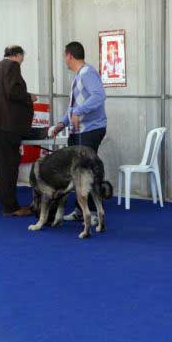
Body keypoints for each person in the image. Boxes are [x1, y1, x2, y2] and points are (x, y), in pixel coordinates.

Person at [51, 42, 107, 222]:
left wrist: (78, 111)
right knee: (77, 172)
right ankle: (80, 210)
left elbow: (98, 96)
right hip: (79, 130)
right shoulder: (79, 75)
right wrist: (62, 122)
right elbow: (74, 106)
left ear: (69, 56)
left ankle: (93, 213)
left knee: (86, 171)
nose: (64, 60)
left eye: (64, 56)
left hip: (90, 130)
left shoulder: (87, 73)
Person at [0, 46, 37, 216]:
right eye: (22, 58)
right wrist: (28, 96)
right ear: (18, 55)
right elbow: (13, 91)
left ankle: (8, 205)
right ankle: (12, 208)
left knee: (2, 168)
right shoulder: (12, 66)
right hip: (8, 126)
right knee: (10, 167)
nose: (22, 61)